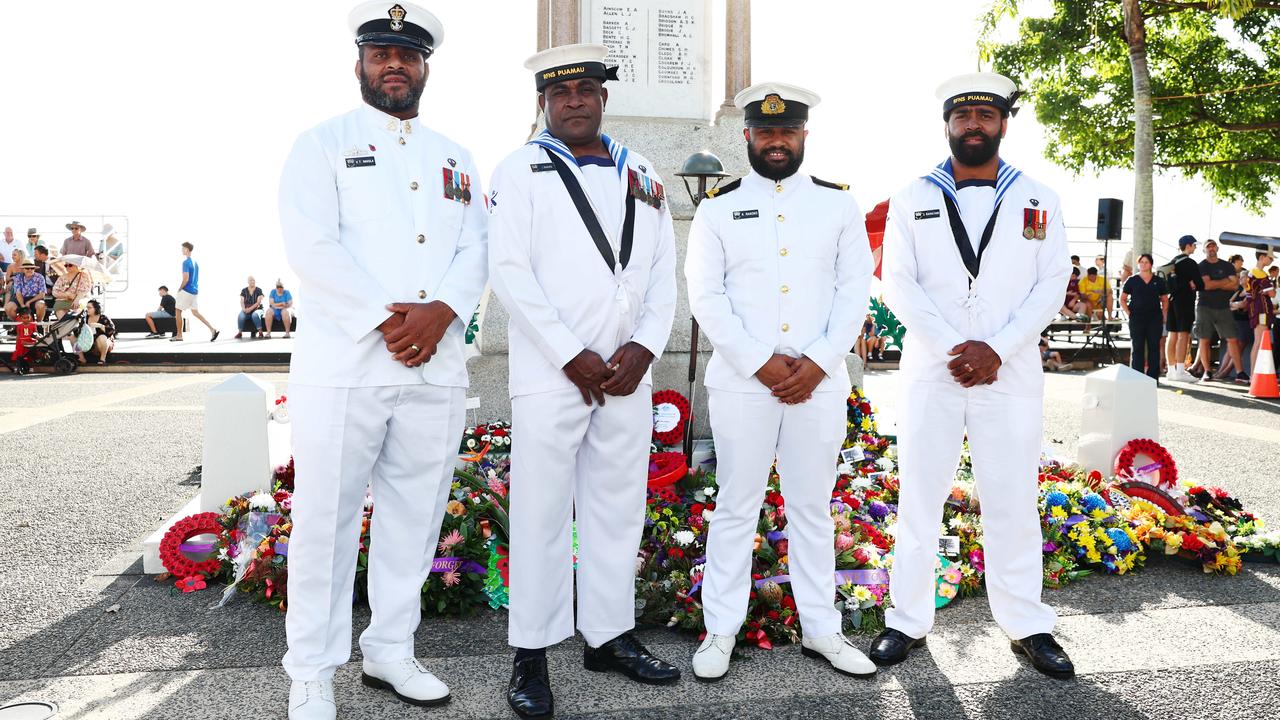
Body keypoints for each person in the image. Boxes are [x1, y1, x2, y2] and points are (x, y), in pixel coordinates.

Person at [278, 4, 488, 718]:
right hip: (345, 366)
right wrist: (387, 320)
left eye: (406, 53)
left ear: (425, 65)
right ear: (360, 64)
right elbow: (311, 246)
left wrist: (440, 314)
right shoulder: (321, 144)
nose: (393, 64)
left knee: (416, 515)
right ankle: (310, 669)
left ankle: (390, 650)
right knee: (325, 521)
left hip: (433, 367)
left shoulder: (455, 156)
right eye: (380, 53)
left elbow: (476, 248)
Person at [488, 42, 678, 719]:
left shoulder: (645, 173)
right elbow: (510, 272)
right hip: (551, 374)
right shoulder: (520, 170)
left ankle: (609, 636)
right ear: (543, 102)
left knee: (617, 508)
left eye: (586, 88)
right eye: (559, 91)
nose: (574, 100)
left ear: (603, 96)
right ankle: (530, 655)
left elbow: (661, 275)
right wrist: (569, 352)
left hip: (626, 374)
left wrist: (645, 348)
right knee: (540, 515)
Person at [873, 73, 1074, 679]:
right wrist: (952, 347)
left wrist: (999, 348)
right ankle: (906, 620)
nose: (974, 126)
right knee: (920, 497)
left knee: (1012, 498)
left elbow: (1051, 284)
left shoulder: (1037, 196)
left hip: (1008, 374)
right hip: (934, 371)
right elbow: (898, 283)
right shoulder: (914, 196)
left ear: (1003, 125)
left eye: (985, 116)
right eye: (963, 117)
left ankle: (1027, 624)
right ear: (947, 125)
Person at [686, 81, 876, 682]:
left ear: (803, 136)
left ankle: (823, 630)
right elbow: (705, 296)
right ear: (746, 136)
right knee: (736, 506)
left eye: (786, 130)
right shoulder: (717, 207)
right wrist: (760, 362)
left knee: (813, 508)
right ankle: (720, 629)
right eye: (764, 131)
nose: (775, 140)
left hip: (817, 380)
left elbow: (854, 291)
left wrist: (819, 361)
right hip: (745, 382)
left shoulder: (838, 205)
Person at [1191, 239, 1243, 383]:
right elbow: (1206, 286)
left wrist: (1216, 283)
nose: (1211, 248)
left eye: (1213, 245)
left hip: (1223, 307)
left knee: (1232, 339)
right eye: (1208, 246)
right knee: (1204, 339)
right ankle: (1207, 371)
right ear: (1204, 250)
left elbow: (1235, 285)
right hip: (1204, 306)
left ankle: (1240, 372)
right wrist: (1225, 281)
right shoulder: (1201, 266)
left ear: (1218, 248)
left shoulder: (1227, 265)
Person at [1120, 253, 1168, 380]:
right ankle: (1137, 377)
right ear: (1138, 264)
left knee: (1154, 347)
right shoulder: (1132, 280)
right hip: (1137, 318)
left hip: (1154, 318)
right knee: (1138, 347)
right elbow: (1122, 299)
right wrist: (1129, 314)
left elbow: (1165, 299)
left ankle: (1153, 377)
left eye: (1146, 262)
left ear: (1151, 264)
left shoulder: (1158, 281)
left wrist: (1164, 315)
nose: (1143, 264)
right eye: (1141, 262)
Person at [1165, 235, 1203, 381]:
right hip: (1185, 301)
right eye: (1194, 245)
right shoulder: (1191, 263)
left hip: (1172, 300)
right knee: (1183, 334)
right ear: (1188, 246)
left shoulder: (1173, 262)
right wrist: (1192, 283)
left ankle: (1171, 370)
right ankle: (1180, 370)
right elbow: (1200, 284)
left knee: (1172, 334)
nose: (1195, 247)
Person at [171, 242, 218, 341]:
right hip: (195, 291)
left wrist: (180, 288)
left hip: (187, 290)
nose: (181, 250)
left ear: (187, 249)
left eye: (183, 248)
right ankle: (212, 329)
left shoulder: (186, 262)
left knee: (178, 311)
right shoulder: (195, 262)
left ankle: (179, 335)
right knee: (195, 312)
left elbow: (186, 278)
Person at [1245, 249, 1276, 375]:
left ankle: (1255, 375)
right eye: (1270, 258)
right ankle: (1254, 376)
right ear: (1262, 257)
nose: (1272, 260)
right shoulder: (1260, 273)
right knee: (1260, 342)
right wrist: (1270, 289)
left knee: (1260, 341)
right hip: (1261, 311)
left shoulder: (1252, 272)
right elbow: (1273, 294)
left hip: (1256, 310)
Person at [5, 261, 47, 326]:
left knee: (41, 305)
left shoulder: (40, 277)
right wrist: (22, 305)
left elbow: (42, 294)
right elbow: (18, 293)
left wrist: (29, 302)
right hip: (20, 298)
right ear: (23, 269)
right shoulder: (18, 277)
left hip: (35, 298)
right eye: (27, 268)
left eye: (32, 268)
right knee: (8, 307)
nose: (30, 270)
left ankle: (38, 325)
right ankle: (18, 325)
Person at [78, 299, 116, 365]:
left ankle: (102, 359)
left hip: (103, 344)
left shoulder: (103, 317)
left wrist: (99, 325)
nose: (87, 309)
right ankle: (82, 358)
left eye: (89, 308)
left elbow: (111, 330)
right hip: (89, 344)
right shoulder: (85, 318)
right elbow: (78, 332)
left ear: (96, 308)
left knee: (102, 337)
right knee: (73, 337)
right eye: (86, 307)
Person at [9, 306, 37, 374]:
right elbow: (18, 335)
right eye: (24, 318)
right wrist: (17, 344)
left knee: (30, 355)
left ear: (30, 317)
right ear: (21, 318)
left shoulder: (33, 325)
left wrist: (36, 341)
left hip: (30, 341)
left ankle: (31, 367)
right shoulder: (19, 326)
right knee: (19, 354)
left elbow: (36, 334)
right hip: (22, 342)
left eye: (28, 317)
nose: (26, 319)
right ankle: (18, 367)